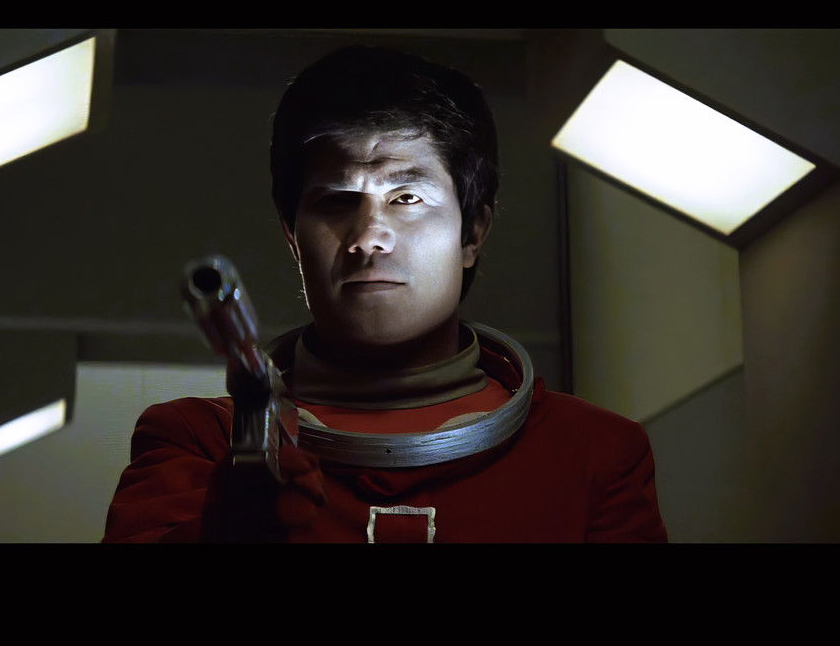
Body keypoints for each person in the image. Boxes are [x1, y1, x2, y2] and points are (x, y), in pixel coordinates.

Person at [103, 45, 667, 543]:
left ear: (473, 232)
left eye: (407, 198)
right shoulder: (198, 440)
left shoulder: (593, 452)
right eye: (337, 201)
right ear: (292, 236)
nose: (369, 236)